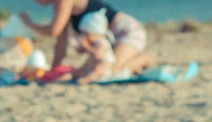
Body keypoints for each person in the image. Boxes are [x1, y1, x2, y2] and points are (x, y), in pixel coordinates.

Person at [19, 0, 154, 74]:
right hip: (107, 41)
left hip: (127, 31)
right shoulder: (59, 6)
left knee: (110, 72)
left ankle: (146, 59)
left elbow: (54, 30)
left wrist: (29, 23)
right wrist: (54, 70)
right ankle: (130, 62)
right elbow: (61, 40)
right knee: (88, 72)